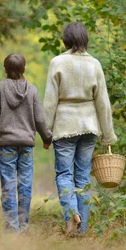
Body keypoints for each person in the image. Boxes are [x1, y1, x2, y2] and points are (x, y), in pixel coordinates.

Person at [43, 22, 117, 236]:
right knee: (83, 178)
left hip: (65, 127)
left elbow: (50, 102)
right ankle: (82, 227)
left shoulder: (57, 62)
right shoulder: (94, 64)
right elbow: (102, 102)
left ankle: (71, 215)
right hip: (89, 127)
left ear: (66, 40)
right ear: (85, 39)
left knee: (64, 174)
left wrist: (46, 132)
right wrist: (108, 135)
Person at [0, 53, 52, 232]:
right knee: (25, 184)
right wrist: (47, 138)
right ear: (24, 69)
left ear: (5, 69)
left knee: (8, 184)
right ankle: (23, 225)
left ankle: (12, 226)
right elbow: (40, 119)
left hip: (6, 144)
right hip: (26, 145)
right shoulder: (32, 90)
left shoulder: (0, 88)